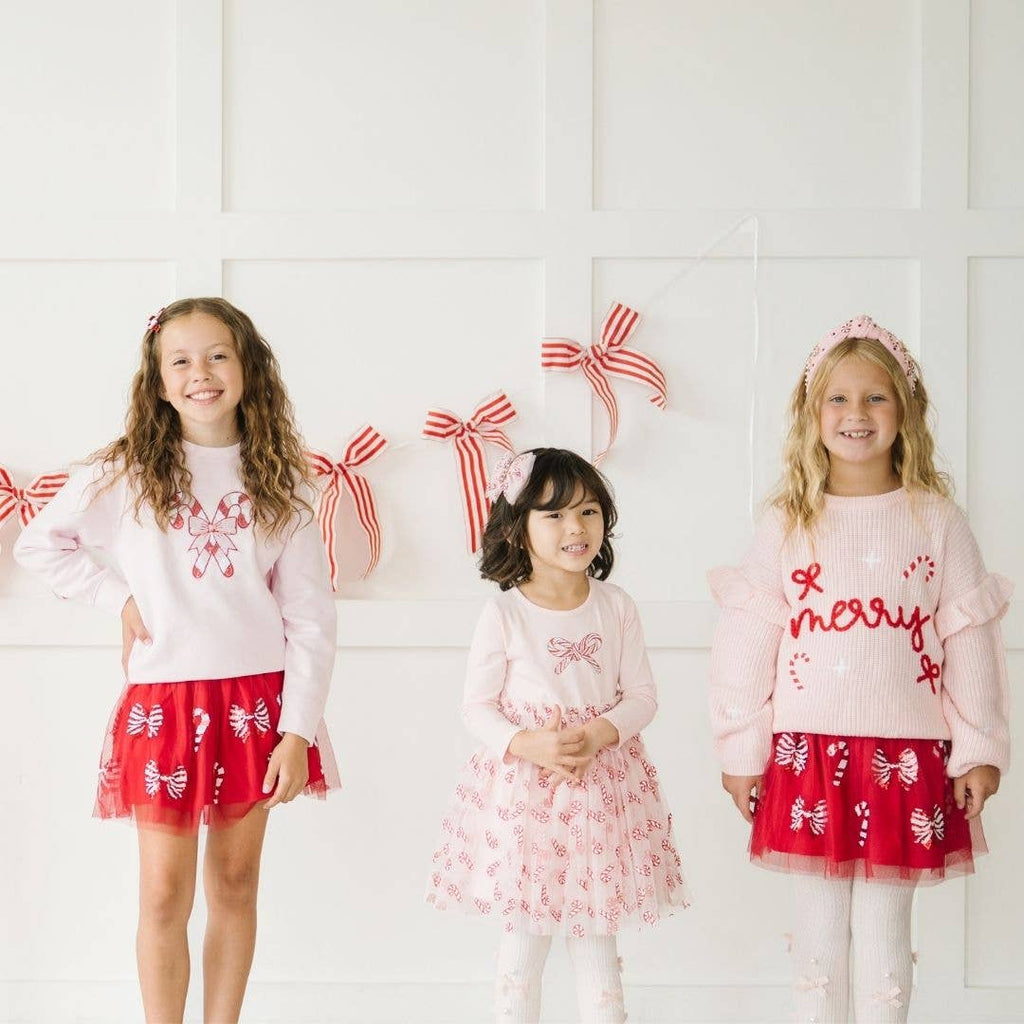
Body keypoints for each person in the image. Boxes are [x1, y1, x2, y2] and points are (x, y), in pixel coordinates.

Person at [15, 297, 338, 1023]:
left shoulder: (283, 485)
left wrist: (299, 730)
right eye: (181, 361)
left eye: (218, 355)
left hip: (257, 705)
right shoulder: (125, 474)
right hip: (165, 706)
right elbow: (39, 544)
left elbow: (313, 619)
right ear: (158, 382)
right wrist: (117, 600)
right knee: (163, 892)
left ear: (247, 368)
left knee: (235, 882)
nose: (201, 374)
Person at [709, 315, 1011, 1022]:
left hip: (903, 760)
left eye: (876, 397)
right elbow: (748, 644)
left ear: (905, 411)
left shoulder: (937, 519)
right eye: (838, 399)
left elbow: (970, 644)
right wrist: (740, 748)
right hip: (806, 756)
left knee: (885, 941)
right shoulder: (787, 523)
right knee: (815, 941)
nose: (856, 414)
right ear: (812, 414)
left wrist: (981, 750)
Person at [427, 447, 689, 1024]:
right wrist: (528, 744)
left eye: (589, 512)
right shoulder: (504, 615)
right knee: (522, 952)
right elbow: (477, 708)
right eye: (554, 515)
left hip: (601, 794)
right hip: (527, 798)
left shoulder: (616, 607)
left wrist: (598, 733)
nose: (576, 527)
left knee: (598, 946)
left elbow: (643, 696)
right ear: (518, 529)